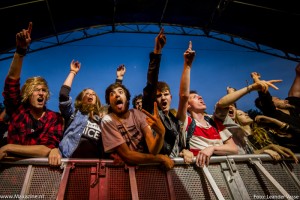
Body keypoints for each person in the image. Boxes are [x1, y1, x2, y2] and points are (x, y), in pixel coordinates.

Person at [0, 22, 64, 161]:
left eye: (44, 90)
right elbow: (11, 82)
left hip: (40, 178)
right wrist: (20, 50)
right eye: (36, 90)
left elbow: (46, 149)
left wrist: (8, 147)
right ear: (28, 94)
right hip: (10, 174)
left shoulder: (54, 118)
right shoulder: (18, 110)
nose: (41, 93)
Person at [48, 63, 126, 166]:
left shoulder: (102, 120)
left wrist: (119, 77)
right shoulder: (74, 114)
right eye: (87, 93)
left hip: (93, 168)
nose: (91, 95)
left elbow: (115, 103)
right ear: (81, 99)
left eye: (93, 94)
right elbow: (63, 95)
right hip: (67, 164)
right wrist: (73, 72)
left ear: (96, 100)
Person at [177, 41, 238, 167]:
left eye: (200, 96)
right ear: (188, 106)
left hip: (226, 174)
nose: (200, 97)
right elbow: (183, 96)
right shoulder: (186, 122)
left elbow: (233, 148)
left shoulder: (214, 122)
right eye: (194, 97)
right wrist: (187, 65)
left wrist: (212, 149)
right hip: (198, 175)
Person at [101, 82, 174, 170]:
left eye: (120, 92)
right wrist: (160, 158)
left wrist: (161, 134)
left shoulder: (137, 114)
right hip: (121, 173)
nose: (117, 95)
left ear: (127, 99)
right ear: (109, 102)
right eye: (112, 94)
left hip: (144, 171)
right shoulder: (108, 120)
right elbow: (127, 155)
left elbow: (153, 150)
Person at [142, 28, 184, 158]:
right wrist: (157, 52)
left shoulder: (174, 120)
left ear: (171, 97)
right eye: (159, 96)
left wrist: (185, 150)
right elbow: (151, 83)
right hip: (157, 169)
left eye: (165, 94)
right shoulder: (152, 113)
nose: (163, 98)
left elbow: (179, 144)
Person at [252, 65, 300, 129]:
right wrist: (258, 82)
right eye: (277, 99)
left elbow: (298, 76)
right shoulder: (274, 115)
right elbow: (266, 99)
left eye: (280, 98)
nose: (285, 100)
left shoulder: (293, 106)